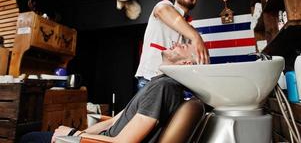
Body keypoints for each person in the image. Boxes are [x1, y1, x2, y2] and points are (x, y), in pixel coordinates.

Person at [20, 43, 201, 143]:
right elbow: (115, 120)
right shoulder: (158, 83)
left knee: (29, 139)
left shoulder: (164, 87)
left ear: (186, 64)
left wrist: (75, 136)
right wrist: (76, 133)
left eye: (184, 45)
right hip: (98, 139)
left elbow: (124, 142)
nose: (177, 42)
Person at [135, 0, 209, 90]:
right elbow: (162, 10)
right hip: (150, 78)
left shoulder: (190, 29)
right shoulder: (164, 5)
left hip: (173, 83)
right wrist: (196, 37)